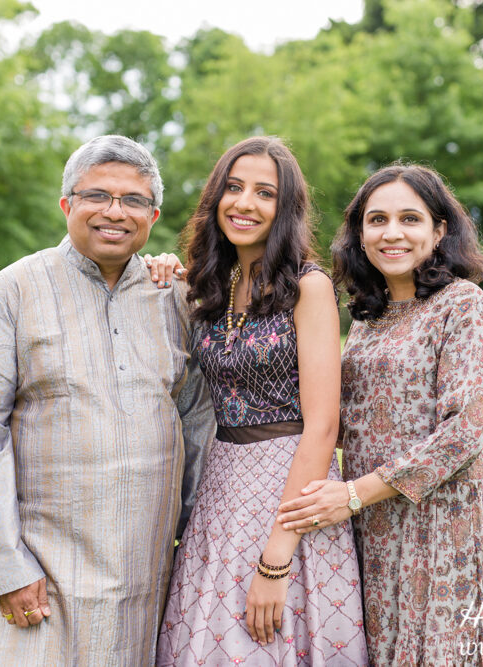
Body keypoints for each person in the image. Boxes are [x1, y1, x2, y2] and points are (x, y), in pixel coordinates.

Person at [0, 135, 216, 665]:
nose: (115, 212)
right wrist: (7, 567)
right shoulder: (11, 292)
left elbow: (199, 422)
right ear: (67, 204)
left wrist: (195, 537)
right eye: (97, 196)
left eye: (133, 200)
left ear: (153, 215)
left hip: (151, 565)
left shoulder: (177, 298)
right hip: (47, 569)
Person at [276, 164, 483, 665]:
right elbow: (350, 419)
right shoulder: (369, 318)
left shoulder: (463, 305)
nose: (392, 233)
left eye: (410, 219)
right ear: (360, 234)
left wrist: (352, 494)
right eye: (377, 219)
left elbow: (464, 433)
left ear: (439, 231)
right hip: (375, 524)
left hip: (444, 521)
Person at [154, 137, 368, 665]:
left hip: (289, 486)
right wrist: (158, 266)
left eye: (264, 193)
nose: (245, 203)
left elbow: (322, 426)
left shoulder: (308, 286)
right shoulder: (211, 282)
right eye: (233, 187)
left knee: (268, 639)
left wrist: (276, 562)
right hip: (221, 484)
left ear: (285, 209)